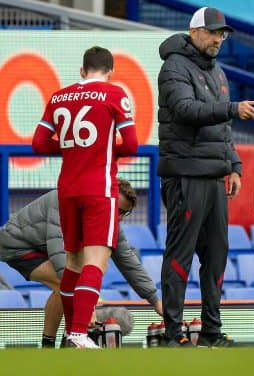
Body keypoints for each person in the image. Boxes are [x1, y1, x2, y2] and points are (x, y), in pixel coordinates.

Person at [157, 7, 254, 347]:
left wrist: (234, 165)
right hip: (185, 173)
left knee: (217, 254)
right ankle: (173, 335)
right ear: (195, 32)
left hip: (214, 175)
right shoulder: (173, 67)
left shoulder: (217, 71)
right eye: (214, 32)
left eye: (223, 34)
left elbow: (223, 129)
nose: (219, 39)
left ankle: (211, 333)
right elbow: (186, 111)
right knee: (180, 255)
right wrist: (231, 107)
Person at [32, 46, 138, 348]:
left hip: (67, 189)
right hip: (99, 189)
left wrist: (73, 150)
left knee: (73, 263)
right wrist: (100, 149)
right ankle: (79, 332)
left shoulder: (59, 97)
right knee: (96, 262)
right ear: (110, 72)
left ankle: (70, 335)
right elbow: (130, 144)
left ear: (82, 71)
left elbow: (39, 144)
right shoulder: (115, 94)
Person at [0, 178, 163, 348]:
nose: (119, 217)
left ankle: (53, 343)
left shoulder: (110, 220)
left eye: (124, 213)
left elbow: (128, 261)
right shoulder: (65, 202)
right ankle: (68, 339)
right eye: (118, 210)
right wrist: (87, 307)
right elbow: (59, 254)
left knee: (64, 289)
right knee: (65, 282)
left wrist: (155, 300)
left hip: (43, 248)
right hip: (17, 245)